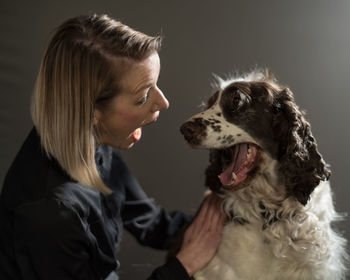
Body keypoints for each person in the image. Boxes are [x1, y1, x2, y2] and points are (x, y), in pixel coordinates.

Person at [0, 14, 227, 280]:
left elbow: (151, 222)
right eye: (143, 96)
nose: (163, 102)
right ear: (92, 110)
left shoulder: (91, 138)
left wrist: (230, 221)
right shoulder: (49, 216)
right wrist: (183, 265)